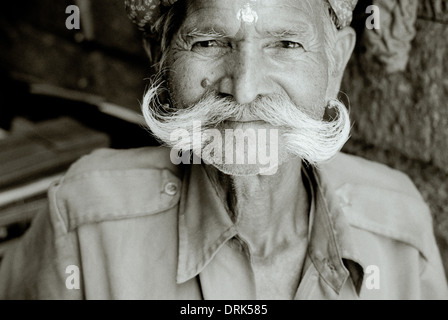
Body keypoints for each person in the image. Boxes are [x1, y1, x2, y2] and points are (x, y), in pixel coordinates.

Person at [0, 0, 447, 300]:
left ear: (335, 66)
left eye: (286, 44)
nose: (246, 89)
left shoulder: (400, 228)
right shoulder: (82, 221)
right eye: (210, 42)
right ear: (160, 56)